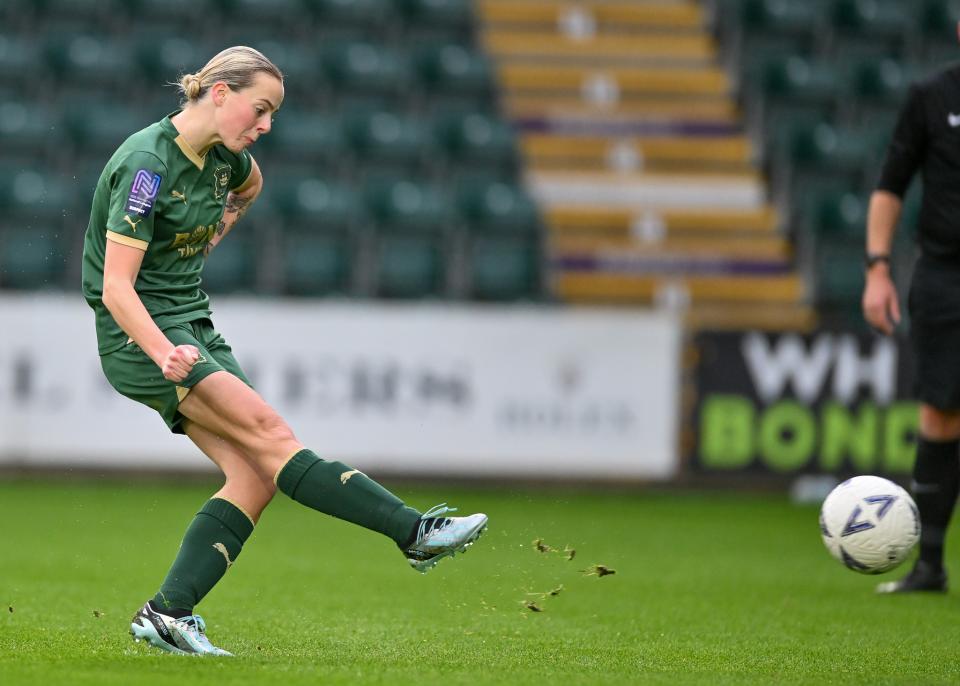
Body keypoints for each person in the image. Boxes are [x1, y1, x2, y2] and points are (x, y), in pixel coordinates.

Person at [80, 46, 488, 656]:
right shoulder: (148, 165)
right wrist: (162, 351)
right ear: (221, 92)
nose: (266, 125)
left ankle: (167, 613)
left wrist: (212, 234)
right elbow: (116, 288)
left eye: (273, 113)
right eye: (261, 108)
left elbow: (250, 187)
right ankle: (413, 531)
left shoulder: (226, 158)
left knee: (253, 475)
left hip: (191, 324)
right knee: (271, 434)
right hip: (144, 335)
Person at [862, 60, 960, 594]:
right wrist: (877, 268)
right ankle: (930, 566)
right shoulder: (930, 96)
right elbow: (891, 183)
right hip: (945, 274)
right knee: (940, 413)